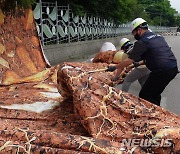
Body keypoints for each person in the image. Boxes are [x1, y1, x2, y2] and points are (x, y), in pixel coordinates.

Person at [107, 17, 178, 106]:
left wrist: (114, 67)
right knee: (154, 93)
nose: (134, 36)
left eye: (134, 33)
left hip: (161, 71)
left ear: (139, 30)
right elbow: (154, 57)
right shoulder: (158, 37)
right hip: (173, 68)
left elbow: (129, 61)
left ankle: (154, 115)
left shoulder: (142, 42)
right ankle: (158, 111)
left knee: (145, 95)